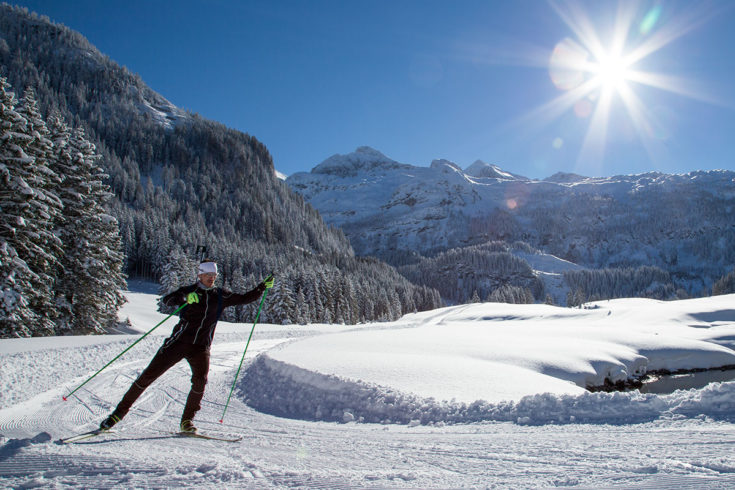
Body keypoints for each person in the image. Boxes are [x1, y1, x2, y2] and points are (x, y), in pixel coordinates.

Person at [99, 260, 274, 433]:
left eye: (214, 275)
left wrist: (262, 287)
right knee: (147, 376)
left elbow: (244, 298)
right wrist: (184, 298)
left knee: (200, 382)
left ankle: (187, 422)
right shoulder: (189, 291)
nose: (211, 278)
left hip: (201, 347)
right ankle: (117, 414)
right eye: (207, 275)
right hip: (178, 343)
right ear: (200, 275)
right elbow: (168, 300)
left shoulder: (221, 295)